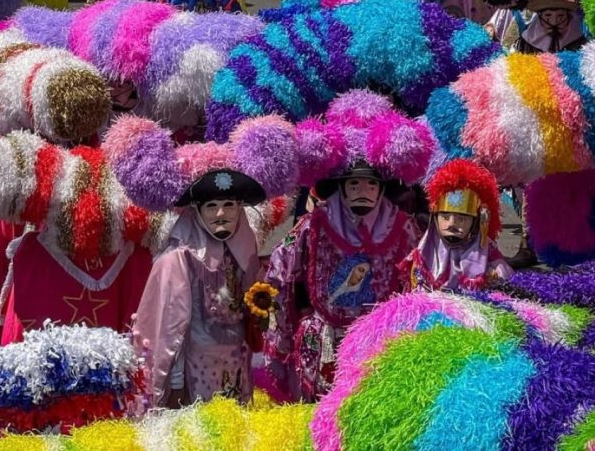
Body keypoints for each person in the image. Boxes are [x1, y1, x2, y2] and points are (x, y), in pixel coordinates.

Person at [264, 159, 420, 402]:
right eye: (354, 183)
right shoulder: (313, 223)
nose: (362, 191)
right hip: (324, 341)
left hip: (379, 341)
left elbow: (416, 285)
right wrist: (283, 336)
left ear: (381, 189)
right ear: (342, 187)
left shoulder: (403, 227)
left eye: (370, 184)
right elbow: (280, 274)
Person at [132, 168, 267, 408]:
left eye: (229, 205)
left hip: (236, 368)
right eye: (211, 206)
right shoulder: (179, 259)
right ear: (197, 212)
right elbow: (170, 328)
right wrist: (175, 383)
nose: (221, 214)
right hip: (196, 373)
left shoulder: (246, 256)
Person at [403, 159, 513, 291]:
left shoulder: (488, 254)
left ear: (476, 221)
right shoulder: (424, 254)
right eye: (445, 217)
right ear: (434, 218)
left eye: (461, 219)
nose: (451, 224)